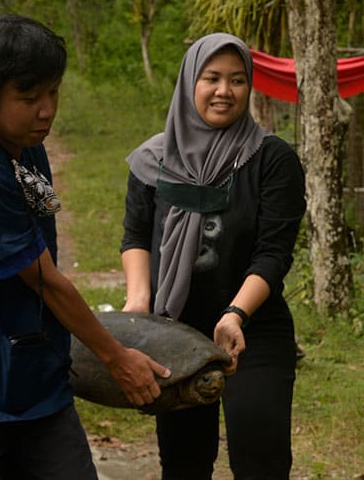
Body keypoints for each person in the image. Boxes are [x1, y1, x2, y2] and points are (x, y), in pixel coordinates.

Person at [0, 14, 170, 480]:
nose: (46, 110)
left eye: (53, 92)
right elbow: (49, 284)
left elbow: (43, 216)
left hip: (28, 375)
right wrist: (116, 358)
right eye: (28, 97)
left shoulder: (25, 147)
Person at [121, 33, 306, 479]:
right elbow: (136, 236)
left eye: (238, 80)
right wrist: (138, 306)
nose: (225, 91)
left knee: (260, 459)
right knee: (184, 463)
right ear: (190, 82)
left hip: (252, 331)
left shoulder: (272, 159)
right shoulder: (154, 159)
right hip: (174, 330)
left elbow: (273, 253)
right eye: (212, 78)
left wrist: (235, 314)